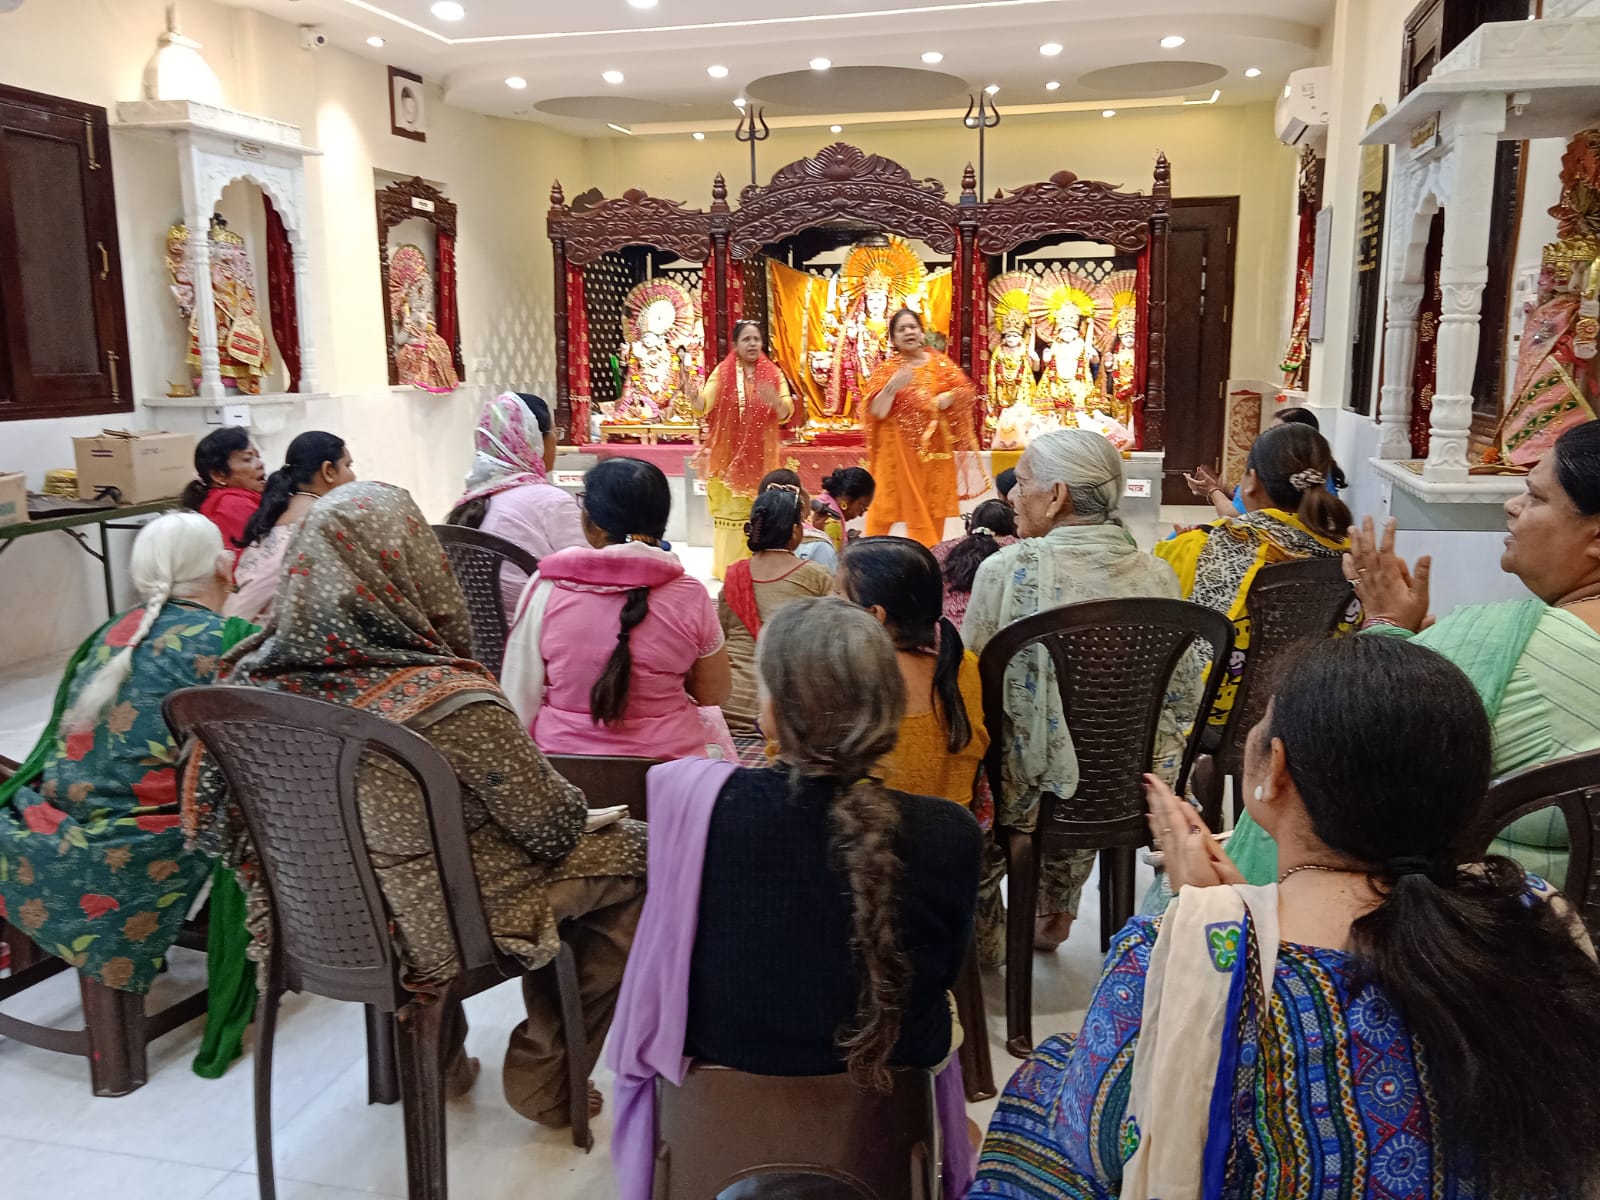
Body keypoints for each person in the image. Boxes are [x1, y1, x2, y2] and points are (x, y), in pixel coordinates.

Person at [972, 635, 1600, 1200]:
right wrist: (1236, 910)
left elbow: (1103, 1147)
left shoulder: (1175, 951)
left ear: (1274, 772)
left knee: (1043, 1079)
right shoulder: (1531, 914)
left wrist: (1193, 927)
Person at [182, 483, 647, 1126]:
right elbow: (552, 825)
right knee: (635, 859)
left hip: (314, 914)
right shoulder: (450, 699)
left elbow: (217, 824)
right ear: (417, 571)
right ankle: (547, 1072)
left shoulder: (245, 686)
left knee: (413, 858)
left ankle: (435, 1062)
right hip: (434, 927)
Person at [608, 598, 983, 1200]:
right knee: (948, 1020)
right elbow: (937, 970)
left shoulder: (693, 802)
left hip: (717, 1083)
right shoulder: (949, 832)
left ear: (775, 713)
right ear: (888, 710)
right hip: (887, 1103)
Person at [1227, 419, 1600, 890]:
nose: (1512, 504)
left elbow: (1337, 738)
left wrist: (1384, 628)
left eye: (1536, 497)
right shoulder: (1491, 645)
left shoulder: (1504, 641)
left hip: (1470, 927)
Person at [962, 429, 1196, 962]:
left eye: (1021, 484)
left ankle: (990, 934)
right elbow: (1180, 700)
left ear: (1058, 495)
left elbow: (972, 690)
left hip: (1026, 795)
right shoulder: (1158, 577)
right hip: (1121, 785)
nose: (1012, 497)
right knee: (1089, 742)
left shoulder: (1005, 570)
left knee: (996, 753)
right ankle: (1057, 906)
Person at [0, 513, 242, 996]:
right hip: (146, 839)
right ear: (223, 566)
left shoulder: (111, 633)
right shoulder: (227, 641)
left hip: (56, 815)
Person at [501, 458, 734, 760]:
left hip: (566, 770)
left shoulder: (547, 586)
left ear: (592, 524)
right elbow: (714, 693)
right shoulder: (690, 595)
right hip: (667, 773)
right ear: (661, 521)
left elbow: (519, 697)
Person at [1156, 422, 1352, 727]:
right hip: (1316, 714)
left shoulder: (1204, 545)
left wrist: (1184, 543)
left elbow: (1158, 604)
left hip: (1217, 717)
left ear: (1251, 482)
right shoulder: (1351, 555)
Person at [836, 537, 991, 818]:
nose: (830, 606)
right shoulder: (964, 665)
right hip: (956, 838)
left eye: (838, 597)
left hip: (880, 846)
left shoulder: (856, 677)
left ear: (874, 615)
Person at [446, 392, 586, 622]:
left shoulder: (471, 499)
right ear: (533, 440)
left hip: (482, 642)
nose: (555, 441)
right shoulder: (551, 501)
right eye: (554, 433)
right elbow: (589, 575)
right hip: (537, 638)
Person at [862, 309, 984, 547]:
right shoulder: (888, 370)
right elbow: (876, 412)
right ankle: (869, 555)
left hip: (934, 454)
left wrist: (949, 397)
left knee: (932, 507)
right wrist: (891, 387)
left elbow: (966, 392)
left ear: (921, 332)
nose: (908, 332)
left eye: (912, 327)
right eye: (902, 329)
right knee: (882, 509)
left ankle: (929, 556)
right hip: (896, 455)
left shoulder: (940, 363)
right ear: (893, 339)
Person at [684, 320, 795, 580]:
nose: (753, 344)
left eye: (756, 339)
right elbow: (704, 404)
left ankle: (757, 570)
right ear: (735, 344)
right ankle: (729, 571)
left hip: (762, 460)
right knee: (731, 513)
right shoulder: (722, 372)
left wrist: (775, 402)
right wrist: (692, 396)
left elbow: (786, 412)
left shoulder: (773, 374)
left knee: (758, 512)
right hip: (729, 459)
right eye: (746, 339)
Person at [719, 489, 833, 735]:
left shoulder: (733, 575)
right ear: (795, 531)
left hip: (728, 705)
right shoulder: (816, 576)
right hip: (783, 712)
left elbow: (721, 637)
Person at [226, 431, 355, 626]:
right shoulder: (307, 527)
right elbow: (238, 613)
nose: (354, 476)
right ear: (328, 471)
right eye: (348, 465)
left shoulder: (284, 513)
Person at [1187, 407, 1348, 519]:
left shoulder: (1275, 477)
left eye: (1277, 434)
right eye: (1269, 431)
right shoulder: (1319, 473)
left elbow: (1234, 514)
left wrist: (1213, 490)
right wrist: (1216, 488)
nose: (1268, 438)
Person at [930, 499, 1019, 627]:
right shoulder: (1017, 548)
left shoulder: (941, 549)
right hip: (999, 634)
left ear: (971, 524)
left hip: (948, 630)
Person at [180, 426, 265, 556]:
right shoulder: (233, 505)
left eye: (258, 456)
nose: (260, 464)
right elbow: (250, 566)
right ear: (218, 475)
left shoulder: (228, 499)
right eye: (248, 459)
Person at [815, 465, 876, 555]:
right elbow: (832, 563)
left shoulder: (823, 500)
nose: (861, 515)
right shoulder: (833, 522)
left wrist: (846, 539)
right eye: (862, 507)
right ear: (846, 499)